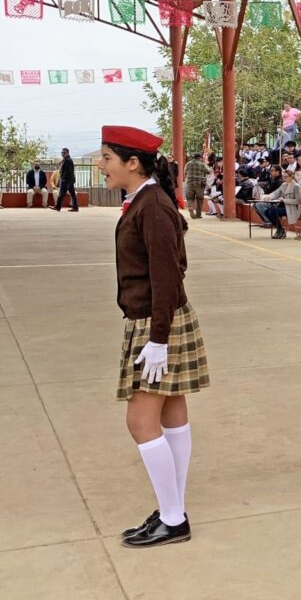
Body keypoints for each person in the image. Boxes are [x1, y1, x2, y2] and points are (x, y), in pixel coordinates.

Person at [99, 125, 209, 548]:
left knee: (140, 421)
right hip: (155, 322)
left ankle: (173, 517)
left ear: (132, 163)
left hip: (158, 324)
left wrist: (158, 339)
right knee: (171, 413)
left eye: (107, 158)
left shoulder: (152, 207)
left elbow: (166, 277)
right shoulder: (145, 202)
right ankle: (172, 508)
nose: (101, 165)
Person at [258, 169, 301, 239]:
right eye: (283, 177)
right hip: (284, 206)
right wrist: (268, 196)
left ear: (291, 177)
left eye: (286, 177)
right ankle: (280, 229)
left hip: (292, 208)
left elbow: (297, 201)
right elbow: (276, 193)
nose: (284, 178)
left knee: (273, 212)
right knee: (267, 211)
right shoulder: (284, 185)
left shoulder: (296, 186)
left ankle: (280, 230)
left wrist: (284, 200)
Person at [183, 153, 210, 220]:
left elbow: (185, 172)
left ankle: (190, 207)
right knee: (199, 199)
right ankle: (198, 214)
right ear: (199, 157)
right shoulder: (202, 164)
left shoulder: (188, 164)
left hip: (190, 183)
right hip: (200, 184)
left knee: (190, 198)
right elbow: (208, 171)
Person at [52, 147, 79, 212]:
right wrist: (62, 161)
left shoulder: (68, 160)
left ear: (67, 153)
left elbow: (67, 171)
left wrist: (63, 179)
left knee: (61, 194)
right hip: (70, 180)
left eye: (64, 153)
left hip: (66, 180)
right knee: (72, 194)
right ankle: (75, 207)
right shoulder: (67, 159)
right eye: (62, 153)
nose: (62, 154)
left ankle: (58, 207)